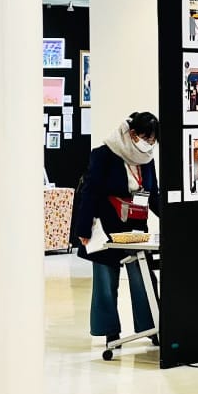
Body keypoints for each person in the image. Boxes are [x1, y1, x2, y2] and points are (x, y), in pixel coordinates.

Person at [74, 112, 159, 346]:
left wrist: (171, 218)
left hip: (136, 228)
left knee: (143, 278)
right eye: (146, 138)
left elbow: (153, 195)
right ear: (132, 134)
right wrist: (84, 228)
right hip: (107, 226)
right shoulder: (104, 154)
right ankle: (110, 332)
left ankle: (151, 327)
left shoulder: (147, 159)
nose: (149, 144)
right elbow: (90, 192)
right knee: (106, 282)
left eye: (153, 141)